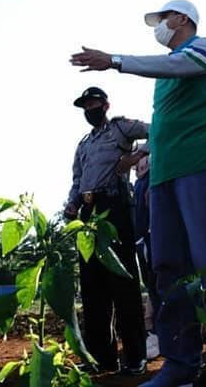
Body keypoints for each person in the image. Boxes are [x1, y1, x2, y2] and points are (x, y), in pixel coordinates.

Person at [71, 0, 206, 387]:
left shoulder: (202, 49)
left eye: (163, 19)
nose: (159, 26)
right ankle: (179, 364)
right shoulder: (164, 75)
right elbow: (163, 125)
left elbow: (177, 66)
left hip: (198, 164)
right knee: (166, 268)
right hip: (163, 177)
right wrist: (141, 156)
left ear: (182, 19)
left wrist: (115, 60)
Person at [63, 86, 148, 375]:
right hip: (88, 213)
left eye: (94, 103)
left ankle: (136, 356)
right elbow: (77, 179)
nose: (90, 109)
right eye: (85, 106)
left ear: (106, 104)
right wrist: (72, 206)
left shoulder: (121, 129)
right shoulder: (83, 144)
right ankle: (101, 357)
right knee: (92, 288)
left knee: (123, 283)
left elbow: (159, 129)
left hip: (116, 209)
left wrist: (136, 156)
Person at [132, 152, 160, 359]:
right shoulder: (138, 184)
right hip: (142, 239)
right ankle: (155, 332)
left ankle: (160, 334)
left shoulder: (152, 180)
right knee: (150, 285)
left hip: (152, 238)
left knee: (157, 285)